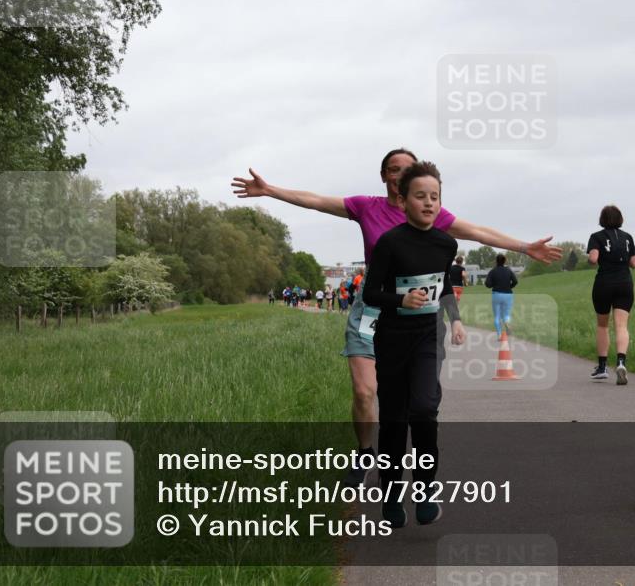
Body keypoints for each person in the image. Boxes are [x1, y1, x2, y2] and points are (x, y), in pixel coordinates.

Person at [232, 148, 562, 488]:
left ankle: (410, 471)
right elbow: (315, 200)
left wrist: (524, 247)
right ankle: (364, 453)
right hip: (372, 306)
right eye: (393, 170)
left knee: (411, 401)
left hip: (415, 315)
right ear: (386, 177)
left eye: (407, 169)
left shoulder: (429, 212)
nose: (399, 175)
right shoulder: (366, 207)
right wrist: (270, 190)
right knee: (364, 392)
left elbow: (477, 231)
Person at [363, 161, 465, 527]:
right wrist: (400, 301)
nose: (428, 203)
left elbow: (445, 286)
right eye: (420, 196)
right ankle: (391, 496)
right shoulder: (389, 244)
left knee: (423, 410)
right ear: (403, 201)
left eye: (434, 197)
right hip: (392, 340)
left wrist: (455, 320)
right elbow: (372, 293)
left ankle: (424, 491)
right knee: (393, 422)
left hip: (426, 337)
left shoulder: (446, 243)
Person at [587, 205, 635, 385]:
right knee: (621, 325)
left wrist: (591, 258)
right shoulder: (627, 237)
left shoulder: (596, 237)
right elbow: (634, 263)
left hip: (604, 284)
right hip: (625, 283)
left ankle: (602, 368)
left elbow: (593, 259)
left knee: (603, 325)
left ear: (602, 219)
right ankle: (621, 362)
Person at [484, 254, 518, 337]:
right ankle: (507, 322)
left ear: (496, 261)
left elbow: (487, 284)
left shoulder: (492, 271)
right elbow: (515, 281)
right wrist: (509, 286)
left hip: (496, 294)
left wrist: (494, 284)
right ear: (505, 261)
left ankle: (499, 335)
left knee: (497, 316)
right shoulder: (509, 270)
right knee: (506, 314)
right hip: (508, 294)